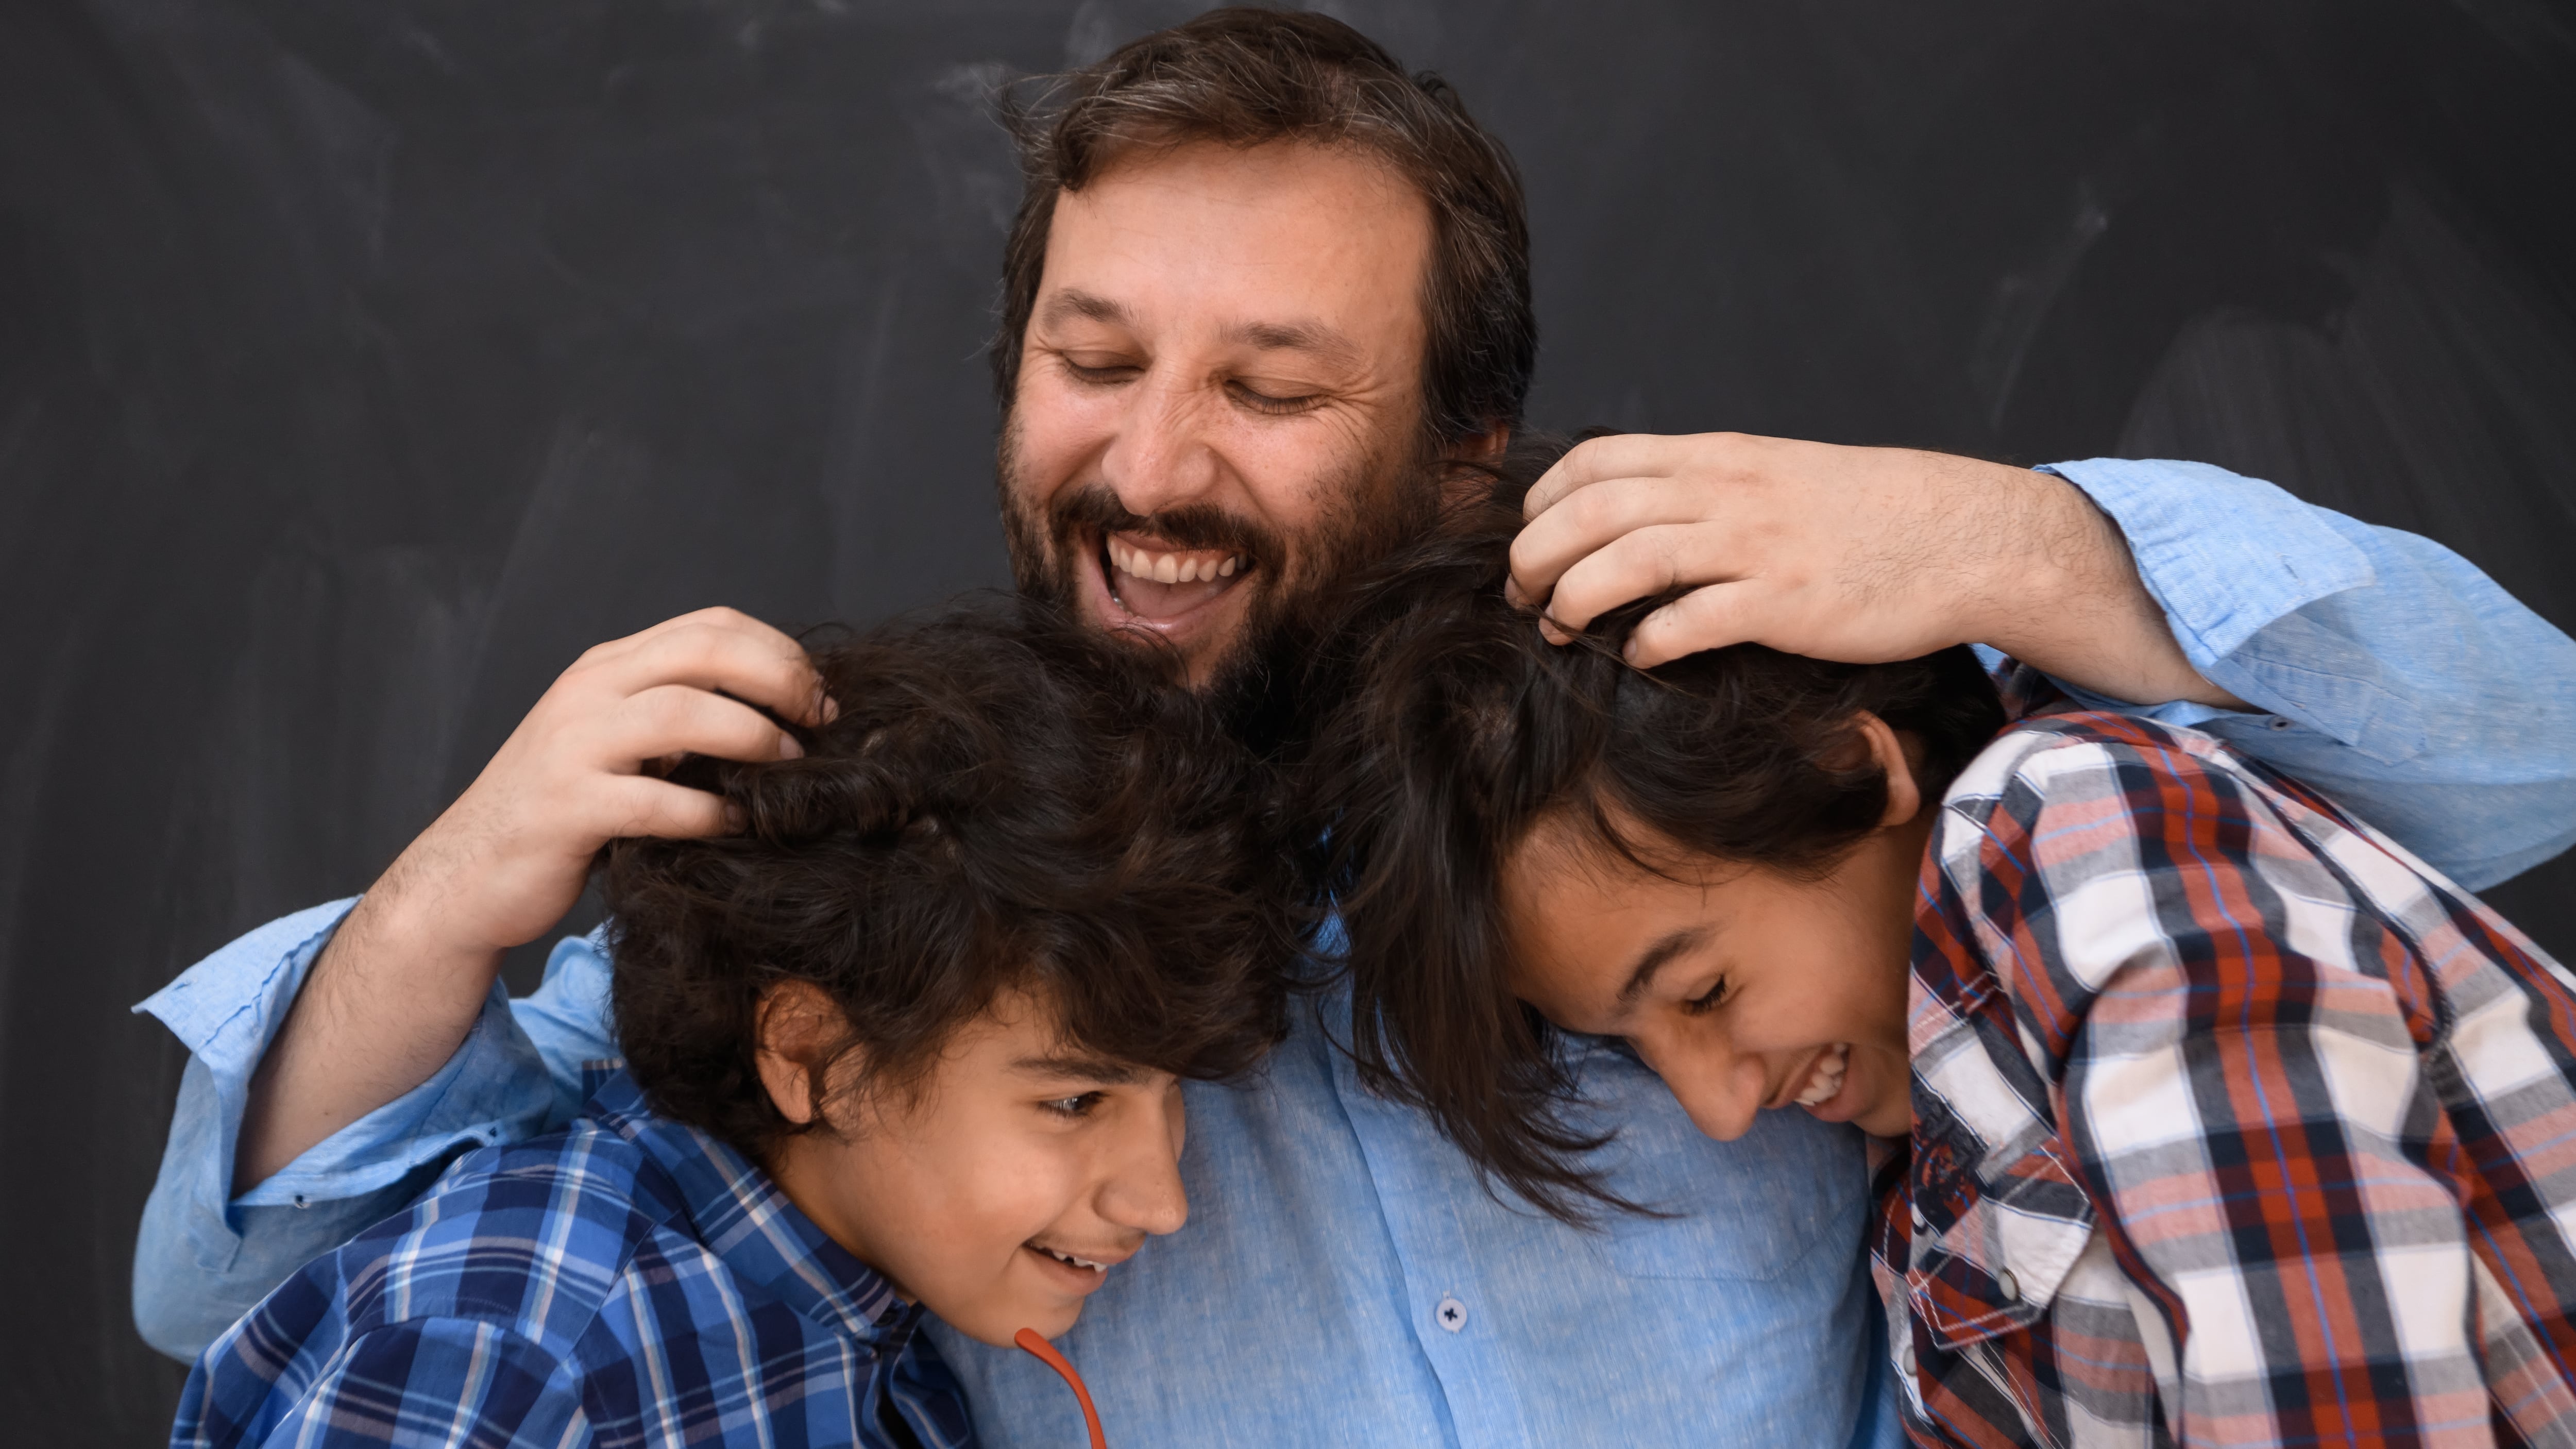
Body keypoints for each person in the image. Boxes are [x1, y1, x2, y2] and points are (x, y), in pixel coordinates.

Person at [133, 12, 2576, 1447]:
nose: (1149, 464)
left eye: (1272, 389)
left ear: (1463, 455)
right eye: (1092, 360)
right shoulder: (912, 895)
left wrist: (2009, 542)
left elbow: (2518, 758)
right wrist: (446, 896)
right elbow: (239, 1303)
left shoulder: (1703, 749)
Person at [1308, 467, 2576, 1445]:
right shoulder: (1917, 1167)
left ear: (1849, 772)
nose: (1718, 1106)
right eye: (1629, 1046)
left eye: (1705, 990)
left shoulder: (2071, 830)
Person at [175, 601, 1296, 1447]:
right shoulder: (520, 1345)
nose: (1163, 1202)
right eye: (1075, 1099)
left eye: (1173, 1094)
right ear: (814, 1055)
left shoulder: (879, 1338)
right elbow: (185, 1293)